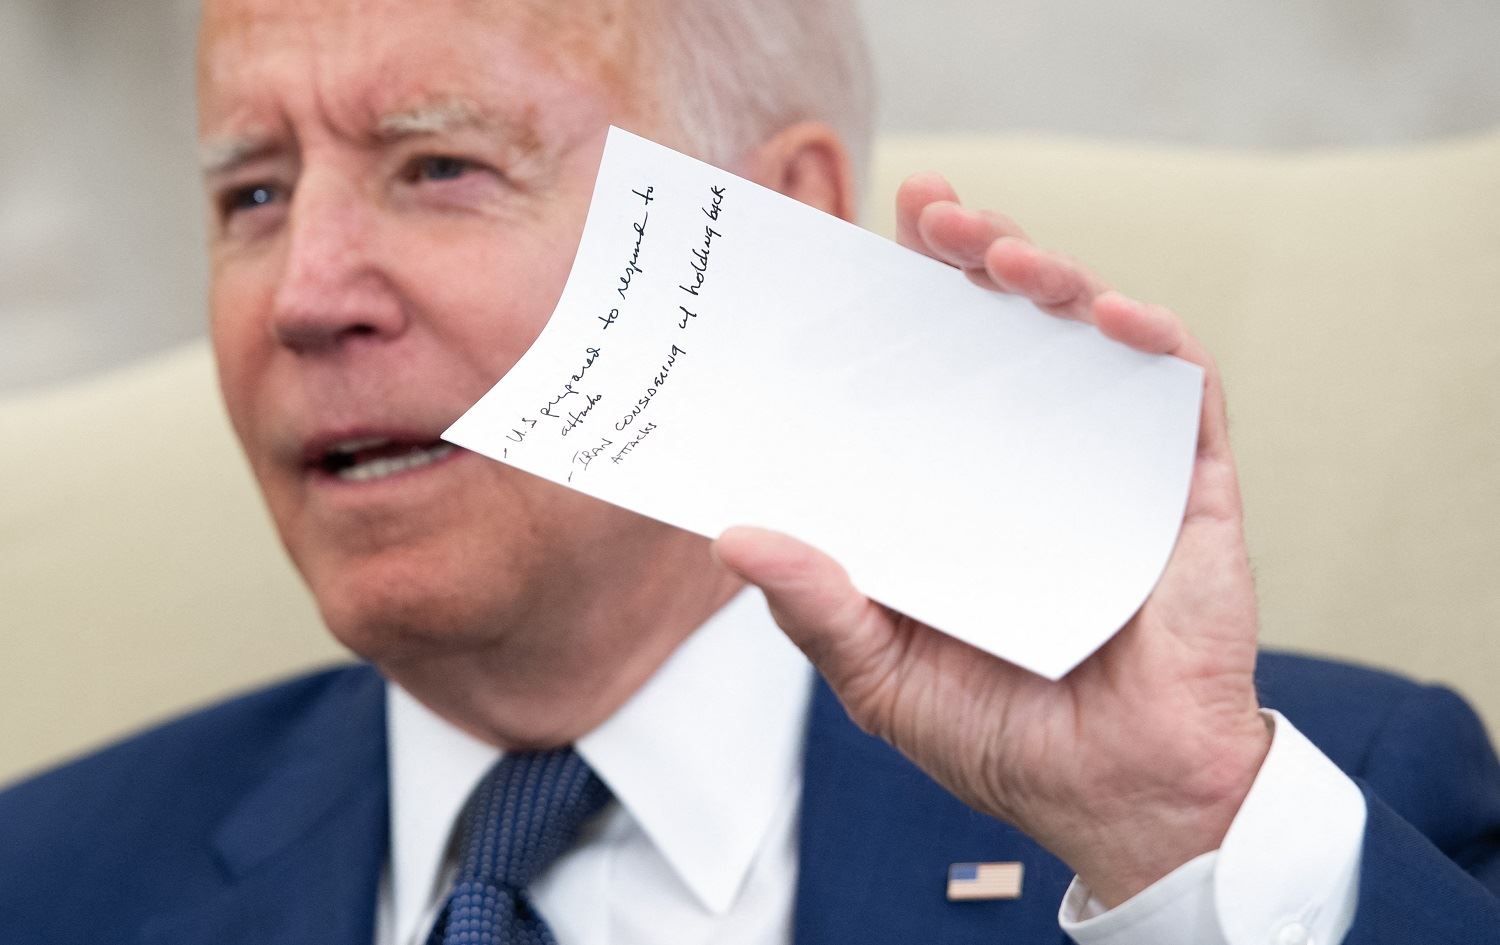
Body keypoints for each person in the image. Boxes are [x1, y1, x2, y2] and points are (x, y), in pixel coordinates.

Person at [3, 0, 1498, 942]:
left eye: (438, 167)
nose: (304, 293)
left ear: (771, 223)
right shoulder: (45, 881)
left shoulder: (1284, 820)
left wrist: (1168, 839)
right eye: (253, 195)